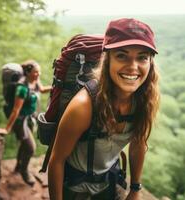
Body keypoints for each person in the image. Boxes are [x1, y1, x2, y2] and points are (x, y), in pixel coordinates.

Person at [48, 18, 160, 200]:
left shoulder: (144, 100)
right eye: (122, 55)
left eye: (142, 57)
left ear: (150, 63)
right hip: (75, 184)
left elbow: (139, 144)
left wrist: (135, 188)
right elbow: (57, 160)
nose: (133, 67)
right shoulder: (83, 106)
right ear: (107, 59)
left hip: (109, 178)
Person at [0, 60, 52, 186]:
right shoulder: (22, 88)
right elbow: (16, 110)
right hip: (19, 121)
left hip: (29, 118)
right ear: (27, 72)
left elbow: (42, 89)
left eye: (39, 72)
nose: (38, 74)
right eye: (35, 72)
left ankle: (17, 166)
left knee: (24, 143)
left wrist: (56, 87)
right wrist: (7, 128)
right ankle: (24, 171)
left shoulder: (34, 81)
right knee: (30, 147)